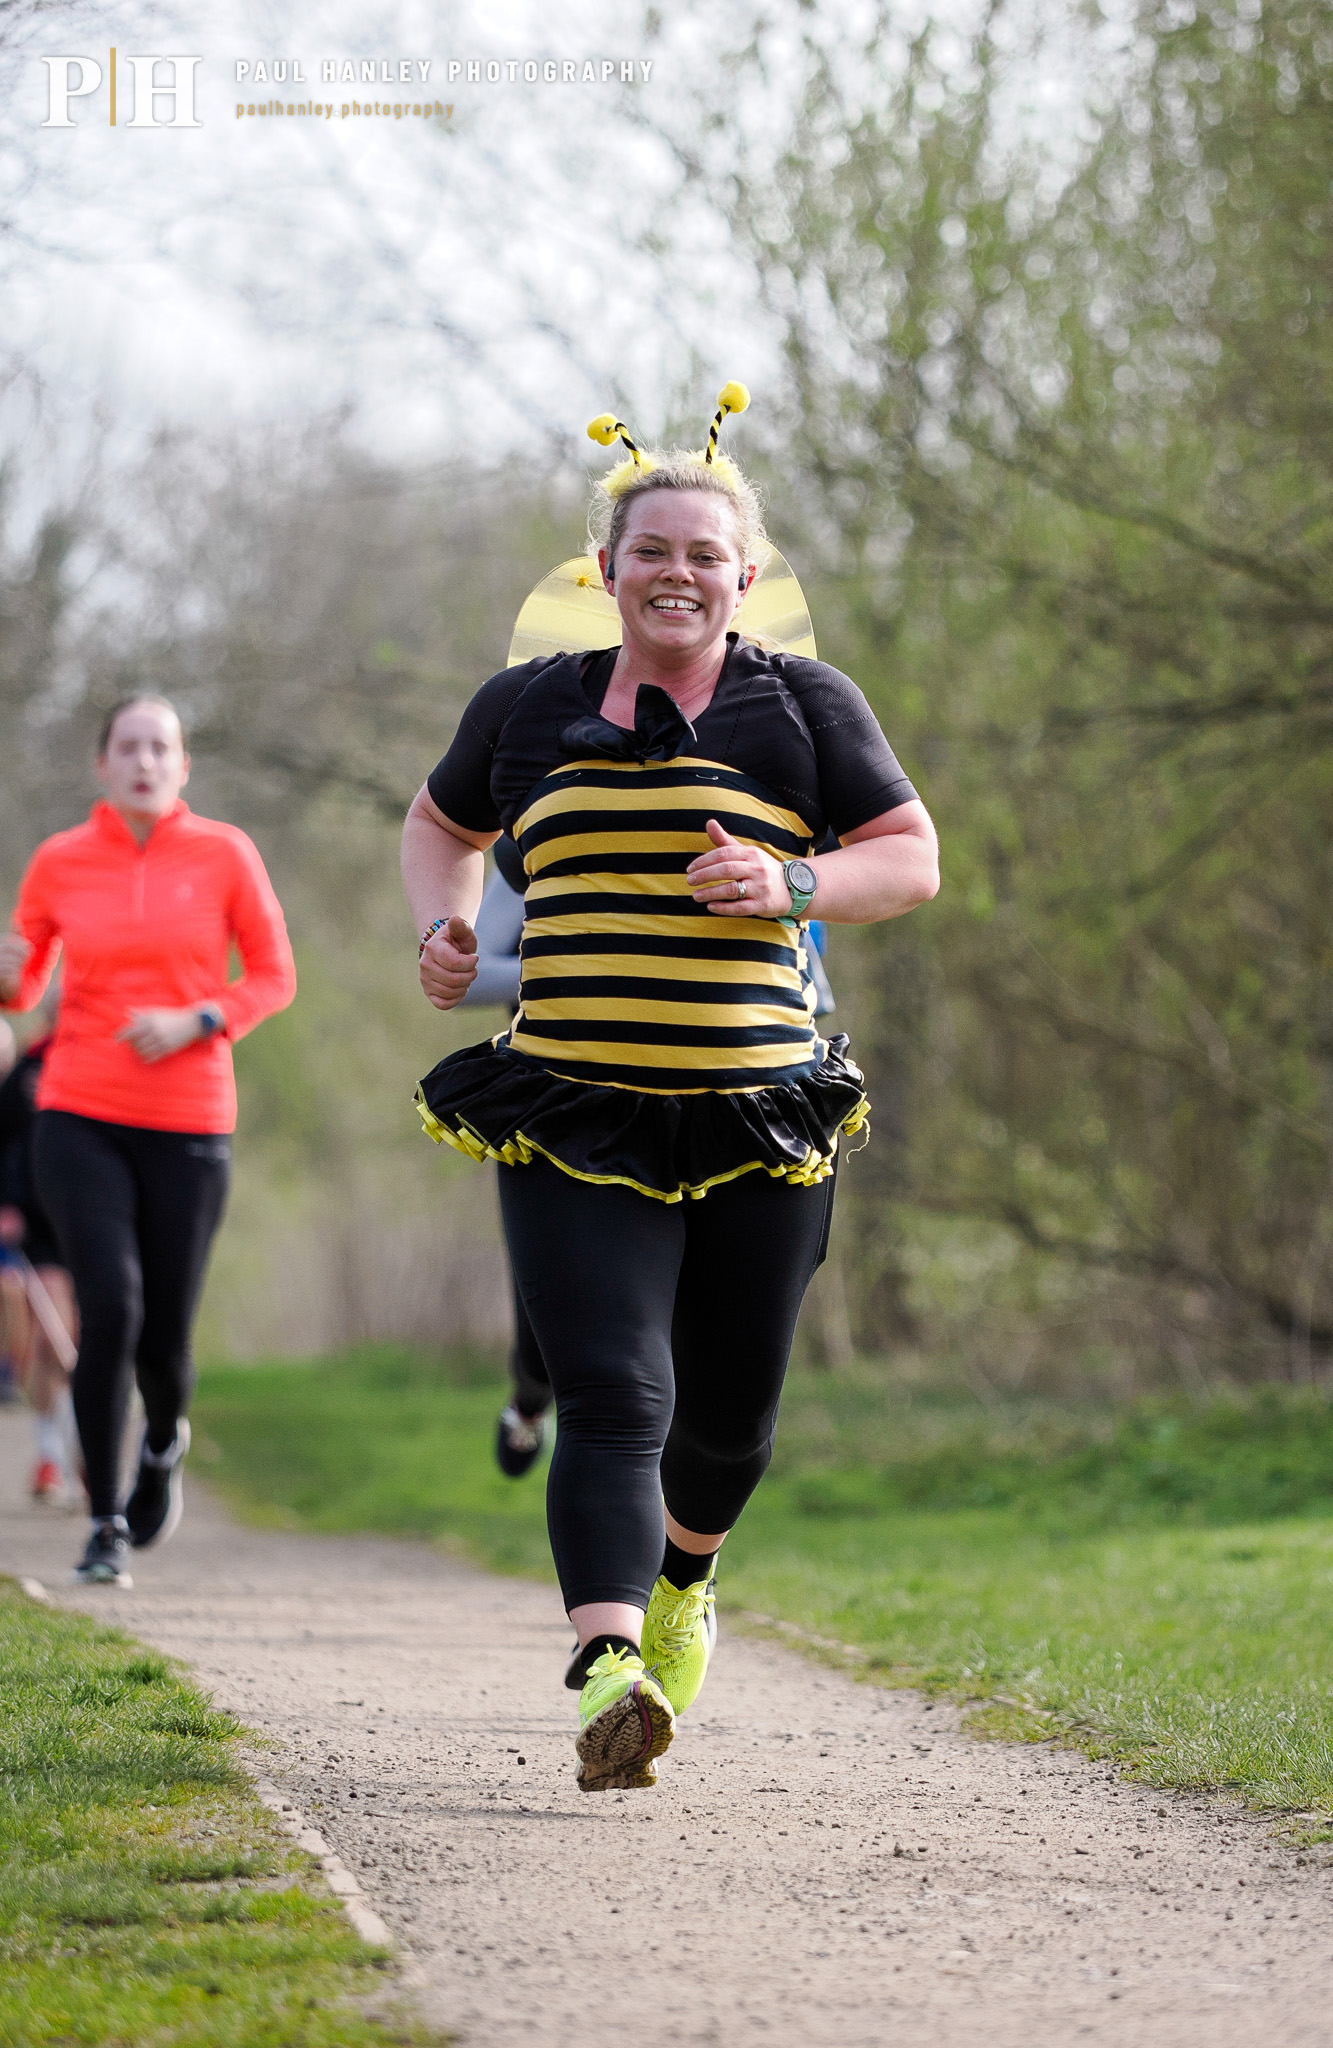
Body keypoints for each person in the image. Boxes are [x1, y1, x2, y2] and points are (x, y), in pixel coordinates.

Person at [402, 384, 939, 1790]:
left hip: (762, 1115)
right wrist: (443, 927)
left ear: (747, 577)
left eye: (708, 555)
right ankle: (608, 1669)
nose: (680, 574)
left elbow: (912, 857)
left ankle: (687, 1578)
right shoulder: (525, 710)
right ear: (606, 571)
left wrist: (791, 880)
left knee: (727, 1418)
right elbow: (439, 823)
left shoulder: (803, 706)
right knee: (612, 1392)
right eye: (653, 552)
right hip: (578, 1107)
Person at [0, 696, 297, 1586]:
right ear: (102, 766)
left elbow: (275, 977)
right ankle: (103, 1523)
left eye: (159, 747)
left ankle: (164, 1438)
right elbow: (25, 993)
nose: (143, 761)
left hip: (191, 1121)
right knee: (111, 1311)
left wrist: (200, 1017)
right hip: (79, 1112)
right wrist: (9, 981)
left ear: (183, 765)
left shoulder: (225, 855)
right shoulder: (60, 861)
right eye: (127, 747)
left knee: (164, 1340)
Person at [457, 838, 555, 1478]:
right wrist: (570, 967)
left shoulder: (741, 835)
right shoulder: (541, 843)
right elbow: (468, 976)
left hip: (695, 1105)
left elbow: (812, 988)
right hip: (549, 1107)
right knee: (545, 1308)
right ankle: (529, 1400)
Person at [0, 997, 80, 1502]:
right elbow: (4, 1142)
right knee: (54, 1342)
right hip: (43, 1226)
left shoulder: (117, 1066)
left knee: (94, 1344)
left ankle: (93, 1457)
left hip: (102, 1222)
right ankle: (53, 1456)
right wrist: (8, 1203)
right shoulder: (28, 1072)